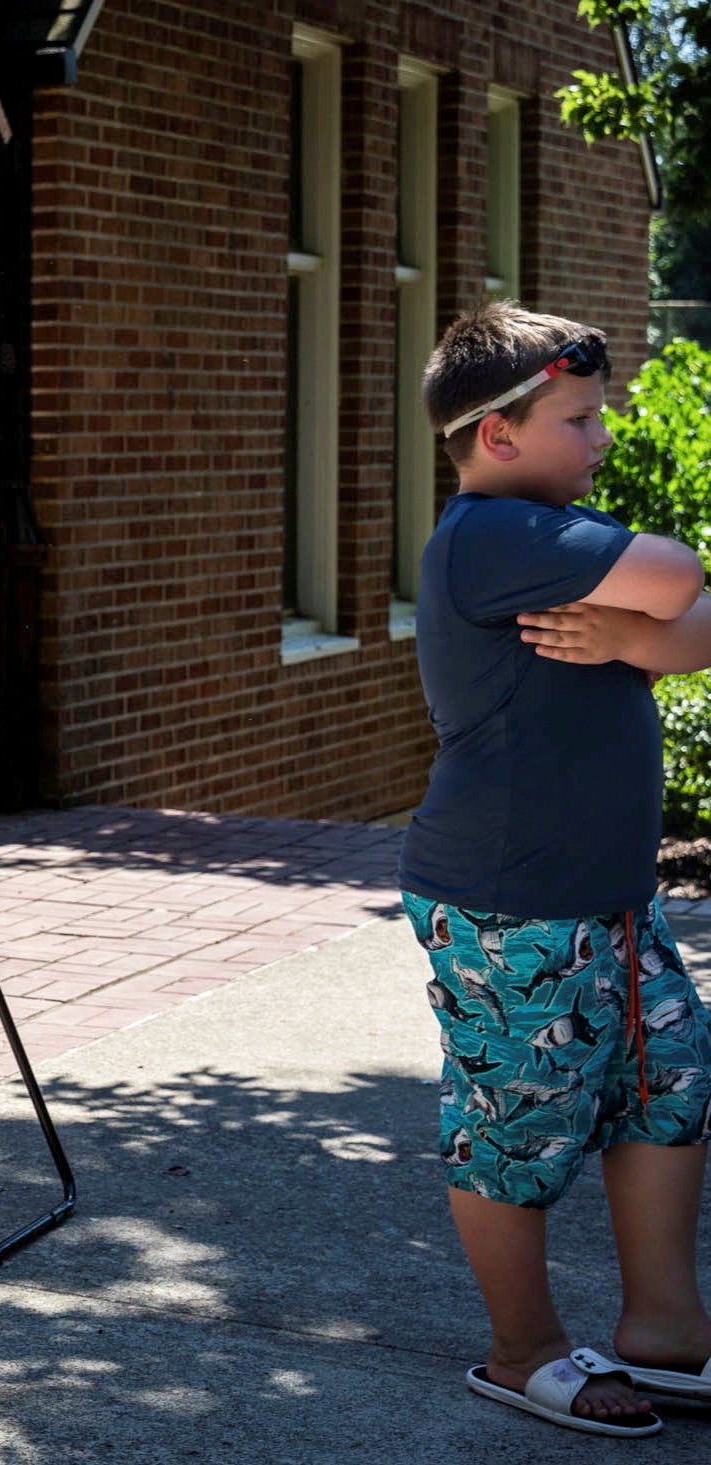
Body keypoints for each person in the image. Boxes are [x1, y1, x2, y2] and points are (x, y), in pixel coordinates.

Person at [398, 299, 711, 1438]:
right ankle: (519, 1348)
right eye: (582, 418)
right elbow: (677, 576)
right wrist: (649, 616)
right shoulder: (493, 539)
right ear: (499, 436)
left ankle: (668, 1331)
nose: (605, 437)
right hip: (507, 900)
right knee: (517, 1116)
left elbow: (692, 625)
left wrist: (627, 639)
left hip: (608, 898)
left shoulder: (550, 537)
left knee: (664, 1087)